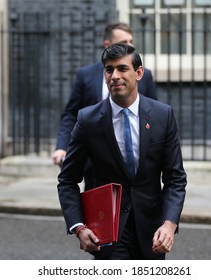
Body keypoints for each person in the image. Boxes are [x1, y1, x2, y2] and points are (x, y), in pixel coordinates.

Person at [57, 43, 187, 260]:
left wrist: (169, 223)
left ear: (139, 73)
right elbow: (67, 180)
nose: (115, 76)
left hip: (152, 233)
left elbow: (175, 178)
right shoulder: (88, 120)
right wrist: (78, 226)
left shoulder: (162, 116)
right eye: (109, 70)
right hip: (108, 234)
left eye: (122, 69)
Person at [53, 22, 157, 190]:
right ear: (107, 45)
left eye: (131, 41)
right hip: (95, 164)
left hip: (135, 163)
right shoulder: (85, 75)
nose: (130, 46)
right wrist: (61, 147)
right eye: (124, 42)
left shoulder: (144, 75)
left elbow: (153, 115)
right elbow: (71, 114)